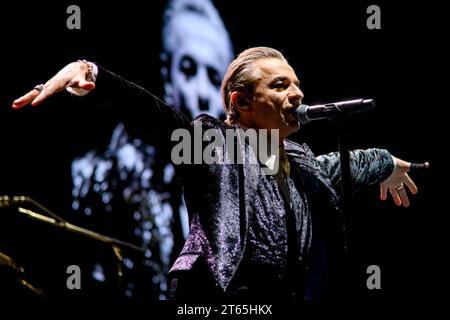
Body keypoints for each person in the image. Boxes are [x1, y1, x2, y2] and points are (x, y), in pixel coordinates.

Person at [12, 46, 427, 302]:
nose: (297, 93)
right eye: (280, 85)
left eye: (296, 84)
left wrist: (388, 164)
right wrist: (96, 76)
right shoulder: (213, 146)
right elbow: (160, 120)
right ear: (241, 102)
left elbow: (345, 164)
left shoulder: (300, 163)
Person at [69, 0, 234, 299]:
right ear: (167, 73)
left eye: (212, 77)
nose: (199, 90)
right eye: (188, 69)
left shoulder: (234, 175)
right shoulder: (104, 176)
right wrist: (91, 73)